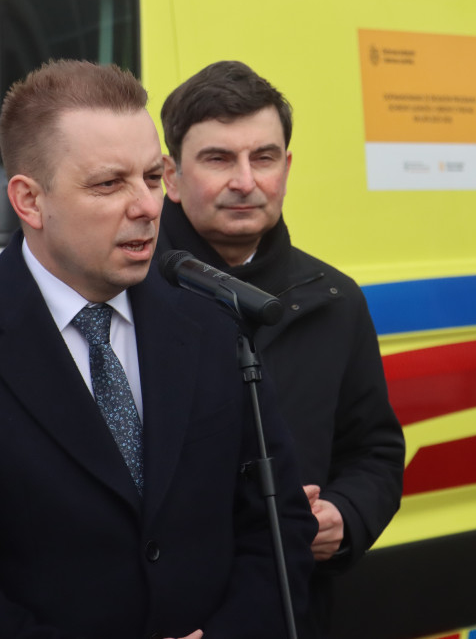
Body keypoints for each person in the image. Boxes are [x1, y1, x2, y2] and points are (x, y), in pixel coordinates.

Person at [0, 60, 316, 639]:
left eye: (153, 178)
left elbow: (277, 524)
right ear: (29, 201)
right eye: (109, 184)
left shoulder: (210, 322)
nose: (148, 207)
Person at [158, 60, 406, 638]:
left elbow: (374, 451)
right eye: (218, 159)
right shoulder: (125, 296)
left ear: (287, 168)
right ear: (170, 175)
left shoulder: (334, 300)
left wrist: (342, 515)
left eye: (263, 158)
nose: (245, 180)